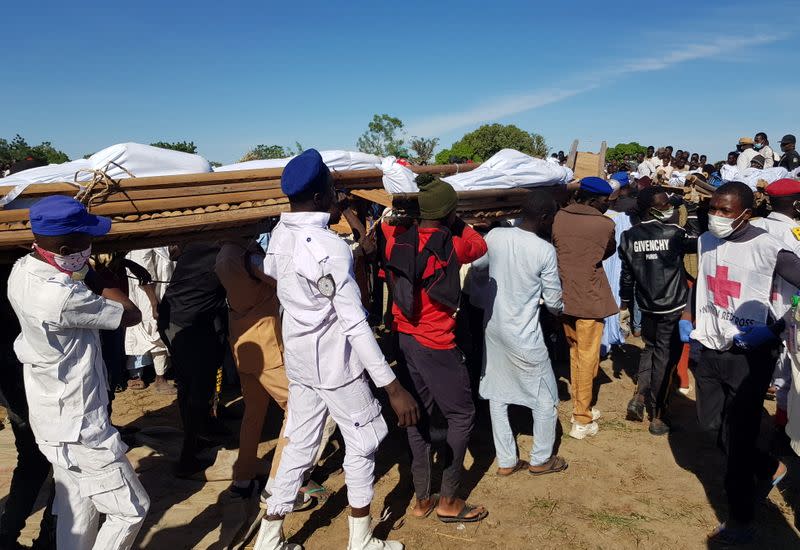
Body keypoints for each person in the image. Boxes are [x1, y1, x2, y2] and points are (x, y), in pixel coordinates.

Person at [255, 149, 419, 550]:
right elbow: (354, 323)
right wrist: (392, 386)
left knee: (300, 443)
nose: (337, 197)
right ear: (318, 196)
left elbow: (271, 272)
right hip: (336, 367)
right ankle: (361, 540)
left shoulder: (280, 234)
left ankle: (268, 539)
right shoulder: (328, 247)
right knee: (366, 440)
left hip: (301, 363)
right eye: (333, 190)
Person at [7, 196, 149, 550]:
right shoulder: (64, 296)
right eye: (88, 243)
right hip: (81, 423)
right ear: (68, 248)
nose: (93, 248)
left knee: (78, 508)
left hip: (51, 419)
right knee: (131, 511)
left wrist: (81, 270)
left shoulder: (21, 270)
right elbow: (130, 314)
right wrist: (94, 275)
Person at [681, 182, 800, 544]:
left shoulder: (769, 246)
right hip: (709, 349)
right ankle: (768, 467)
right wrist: (689, 316)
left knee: (737, 438)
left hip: (749, 355)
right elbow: (700, 282)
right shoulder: (706, 240)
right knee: (711, 424)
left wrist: (776, 328)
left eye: (725, 210)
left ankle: (740, 520)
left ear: (746, 213)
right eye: (713, 208)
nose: (716, 216)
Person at [383, 174, 489, 524]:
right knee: (462, 415)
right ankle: (449, 499)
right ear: (448, 212)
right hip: (437, 343)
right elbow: (478, 244)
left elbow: (386, 231)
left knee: (418, 415)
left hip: (405, 339)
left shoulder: (397, 241)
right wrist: (457, 221)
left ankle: (422, 497)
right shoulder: (453, 244)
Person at [214, 237, 334, 511]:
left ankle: (243, 480)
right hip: (267, 345)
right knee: (296, 411)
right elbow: (280, 280)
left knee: (253, 414)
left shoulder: (224, 252)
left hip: (243, 344)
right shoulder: (246, 255)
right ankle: (279, 485)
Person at [471, 189, 567, 477]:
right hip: (525, 334)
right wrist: (560, 310)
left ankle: (506, 460)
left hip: (494, 328)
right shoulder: (544, 250)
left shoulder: (496, 237)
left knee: (498, 394)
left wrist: (483, 293)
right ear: (545, 217)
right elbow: (553, 303)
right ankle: (540, 459)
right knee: (546, 397)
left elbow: (477, 267)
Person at [619, 187, 695, 435]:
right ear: (652, 209)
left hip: (647, 305)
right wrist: (692, 212)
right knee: (666, 357)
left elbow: (627, 276)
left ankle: (639, 397)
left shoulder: (628, 237)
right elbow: (698, 240)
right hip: (672, 307)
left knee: (650, 350)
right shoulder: (674, 233)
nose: (669, 207)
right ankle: (658, 414)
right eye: (665, 205)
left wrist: (625, 304)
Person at [552, 177, 618, 439]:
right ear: (594, 200)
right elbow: (607, 251)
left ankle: (583, 404)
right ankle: (581, 417)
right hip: (589, 298)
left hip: (563, 295)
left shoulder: (558, 217)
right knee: (588, 356)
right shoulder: (604, 224)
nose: (607, 206)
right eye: (605, 201)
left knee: (575, 351)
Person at [158, 241, 228, 477]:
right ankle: (188, 454)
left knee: (188, 384)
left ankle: (198, 433)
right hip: (190, 325)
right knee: (197, 387)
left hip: (175, 319)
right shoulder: (225, 252)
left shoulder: (198, 246)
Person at [0, 265, 55, 550]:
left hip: (19, 368)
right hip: (26, 369)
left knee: (35, 458)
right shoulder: (24, 265)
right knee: (58, 456)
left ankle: (10, 536)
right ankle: (48, 537)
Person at [751, 179, 800, 430]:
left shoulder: (756, 225)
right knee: (788, 376)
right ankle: (782, 430)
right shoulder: (792, 233)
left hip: (756, 306)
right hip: (787, 308)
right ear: (796, 204)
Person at [124, 247, 176, 394]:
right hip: (147, 294)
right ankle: (156, 378)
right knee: (152, 329)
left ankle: (161, 373)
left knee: (155, 329)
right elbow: (143, 273)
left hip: (161, 289)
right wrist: (153, 302)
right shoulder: (142, 245)